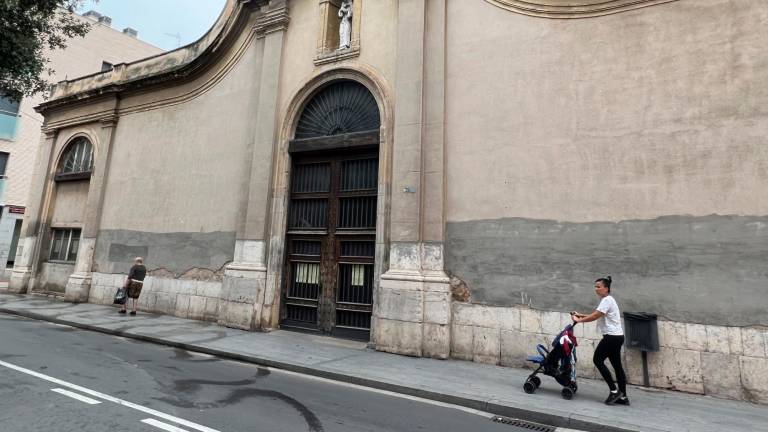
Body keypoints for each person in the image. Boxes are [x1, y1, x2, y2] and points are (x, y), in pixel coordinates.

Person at [571, 276, 629, 406]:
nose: (596, 289)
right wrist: (581, 315)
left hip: (611, 337)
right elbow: (598, 314)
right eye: (595, 287)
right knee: (617, 366)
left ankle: (614, 391)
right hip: (617, 337)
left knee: (597, 360)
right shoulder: (607, 300)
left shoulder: (607, 300)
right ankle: (623, 397)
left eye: (598, 286)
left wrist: (579, 320)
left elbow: (596, 315)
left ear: (606, 288)